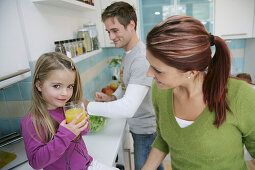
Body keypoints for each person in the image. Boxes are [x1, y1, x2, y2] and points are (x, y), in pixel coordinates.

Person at [142, 15, 255, 170]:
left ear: (192, 71)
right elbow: (163, 138)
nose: (149, 74)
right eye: (150, 64)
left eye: (158, 70)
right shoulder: (161, 90)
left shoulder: (240, 95)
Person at [84, 2, 164, 170]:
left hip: (147, 131)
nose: (111, 37)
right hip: (140, 129)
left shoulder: (141, 58)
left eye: (115, 30)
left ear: (131, 25)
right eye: (108, 31)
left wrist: (88, 106)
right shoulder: (129, 53)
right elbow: (127, 85)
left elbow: (128, 108)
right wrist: (111, 97)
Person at [20, 52, 118, 170]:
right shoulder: (32, 121)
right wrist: (64, 135)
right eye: (56, 86)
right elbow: (36, 162)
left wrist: (84, 124)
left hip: (88, 164)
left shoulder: (67, 108)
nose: (65, 93)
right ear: (39, 85)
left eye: (70, 86)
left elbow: (82, 133)